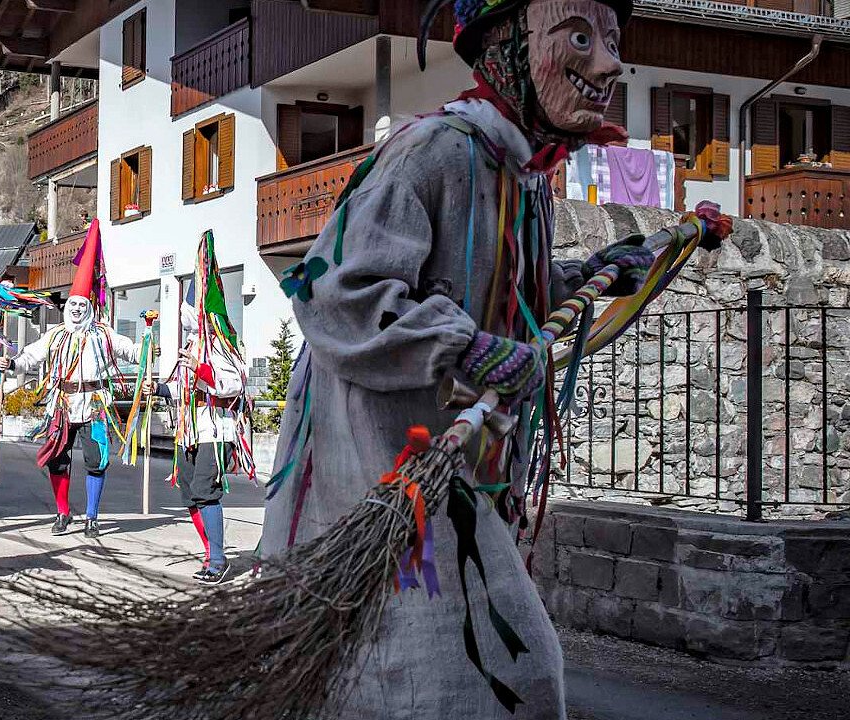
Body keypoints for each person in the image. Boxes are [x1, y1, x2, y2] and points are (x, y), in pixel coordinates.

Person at [259, 0, 653, 715]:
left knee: (451, 673)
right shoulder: (433, 151)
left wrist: (588, 274)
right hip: (385, 463)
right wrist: (467, 347)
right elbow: (336, 292)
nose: (609, 64)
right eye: (579, 37)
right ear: (507, 49)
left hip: (456, 468)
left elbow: (510, 294)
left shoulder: (524, 177)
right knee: (492, 669)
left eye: (611, 41)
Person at [0, 220, 141, 539]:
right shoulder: (56, 334)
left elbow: (131, 351)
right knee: (57, 460)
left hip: (94, 405)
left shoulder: (103, 334)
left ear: (88, 307)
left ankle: (92, 517)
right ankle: (63, 512)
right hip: (61, 404)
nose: (76, 309)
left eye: (81, 305)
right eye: (72, 304)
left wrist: (146, 347)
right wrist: (13, 364)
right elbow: (31, 355)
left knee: (96, 461)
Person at [140, 233, 254, 585]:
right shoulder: (191, 345)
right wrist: (159, 389)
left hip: (215, 430)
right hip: (188, 430)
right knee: (189, 493)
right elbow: (183, 388)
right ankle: (209, 552)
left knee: (205, 492)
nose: (185, 322)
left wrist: (201, 370)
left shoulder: (223, 346)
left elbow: (234, 383)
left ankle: (218, 561)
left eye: (190, 316)